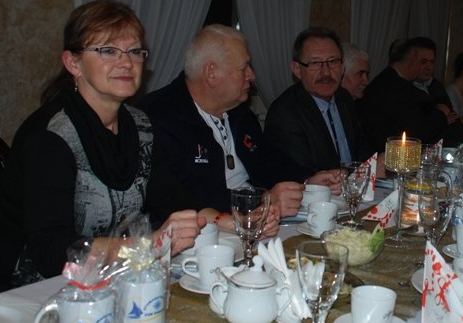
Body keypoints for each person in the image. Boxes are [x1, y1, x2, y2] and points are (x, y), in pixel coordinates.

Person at [0, 0, 206, 292]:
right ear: (73, 63)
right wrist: (144, 246)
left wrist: (236, 219)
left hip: (101, 282)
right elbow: (51, 251)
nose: (126, 62)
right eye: (108, 51)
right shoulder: (50, 136)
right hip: (22, 293)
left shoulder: (140, 126)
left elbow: (174, 203)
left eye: (134, 51)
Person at [140, 25, 340, 221]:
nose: (252, 75)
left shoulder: (238, 112)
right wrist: (262, 201)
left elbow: (268, 161)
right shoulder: (158, 118)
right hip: (206, 231)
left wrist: (307, 180)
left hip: (257, 220)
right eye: (244, 68)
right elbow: (179, 201)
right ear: (211, 73)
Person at [264, 27, 372, 173]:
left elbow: (360, 147)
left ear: (342, 67)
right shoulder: (285, 113)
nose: (326, 72)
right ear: (297, 69)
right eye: (315, 63)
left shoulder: (344, 97)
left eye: (333, 61)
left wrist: (373, 164)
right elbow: (301, 172)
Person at [359, 37, 463, 152]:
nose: (424, 68)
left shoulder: (394, 81)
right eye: (421, 62)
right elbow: (420, 130)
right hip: (390, 154)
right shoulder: (394, 86)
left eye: (432, 62)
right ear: (411, 62)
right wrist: (441, 114)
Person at [408, 36, 453, 111]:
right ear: (411, 61)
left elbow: (451, 114)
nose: (429, 67)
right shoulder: (404, 88)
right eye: (423, 62)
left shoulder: (437, 85)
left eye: (432, 62)